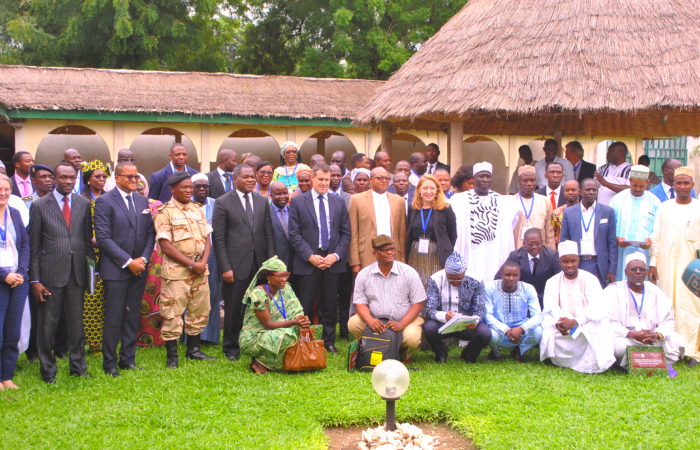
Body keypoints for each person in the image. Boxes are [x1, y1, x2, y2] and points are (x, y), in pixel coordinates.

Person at [30, 163, 94, 383]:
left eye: (72, 177)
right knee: (48, 325)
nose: (68, 181)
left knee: (77, 325)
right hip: (50, 275)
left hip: (76, 274)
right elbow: (34, 246)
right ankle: (48, 370)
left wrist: (89, 276)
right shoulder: (39, 206)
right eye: (63, 177)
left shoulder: (83, 204)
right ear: (54, 179)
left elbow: (86, 244)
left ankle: (78, 367)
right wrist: (35, 280)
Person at [94, 162, 155, 377]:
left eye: (136, 176)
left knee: (132, 315)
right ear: (117, 178)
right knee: (114, 316)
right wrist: (129, 262)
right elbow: (103, 238)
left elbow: (150, 234)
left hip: (140, 267)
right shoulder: (104, 202)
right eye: (129, 177)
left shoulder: (141, 200)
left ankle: (127, 359)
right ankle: (109, 362)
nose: (134, 180)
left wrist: (144, 258)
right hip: (117, 269)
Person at [213, 164, 274, 362]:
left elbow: (268, 234)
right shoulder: (223, 202)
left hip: (259, 266)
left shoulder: (262, 201)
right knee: (233, 308)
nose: (251, 180)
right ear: (235, 179)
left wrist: (271, 265)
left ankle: (256, 341)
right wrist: (225, 267)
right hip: (235, 266)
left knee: (259, 306)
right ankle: (231, 347)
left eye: (252, 177)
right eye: (246, 177)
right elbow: (219, 239)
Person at [154, 172, 215, 368]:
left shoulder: (198, 209)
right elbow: (166, 245)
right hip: (178, 271)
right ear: (173, 189)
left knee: (199, 310)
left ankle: (193, 350)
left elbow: (207, 238)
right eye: (184, 187)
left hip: (200, 270)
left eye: (191, 187)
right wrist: (192, 264)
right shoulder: (165, 212)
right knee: (172, 312)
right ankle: (172, 357)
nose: (189, 191)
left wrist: (202, 263)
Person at [288, 164, 351, 353]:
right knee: (305, 304)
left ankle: (328, 341)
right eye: (321, 179)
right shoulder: (299, 202)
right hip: (308, 262)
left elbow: (345, 233)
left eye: (327, 179)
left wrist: (335, 256)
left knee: (329, 304)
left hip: (332, 262)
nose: (324, 183)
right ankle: (305, 340)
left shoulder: (338, 202)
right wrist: (310, 256)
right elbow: (294, 234)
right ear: (313, 179)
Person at [649, 166, 700, 367]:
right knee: (667, 304)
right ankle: (669, 348)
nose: (681, 186)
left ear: (692, 185)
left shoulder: (698, 208)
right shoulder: (665, 207)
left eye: (686, 183)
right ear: (673, 184)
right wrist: (653, 264)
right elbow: (657, 236)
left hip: (691, 268)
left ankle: (691, 351)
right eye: (678, 182)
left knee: (691, 307)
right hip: (666, 265)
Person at [539, 240, 615, 374]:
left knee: (597, 330)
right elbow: (550, 308)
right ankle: (562, 360)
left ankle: (588, 363)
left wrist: (575, 321)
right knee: (549, 332)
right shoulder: (552, 282)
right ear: (559, 262)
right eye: (565, 261)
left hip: (586, 323)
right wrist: (560, 323)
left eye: (573, 261)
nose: (569, 265)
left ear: (578, 260)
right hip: (562, 325)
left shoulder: (590, 279)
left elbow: (598, 308)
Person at [348, 235, 426, 360]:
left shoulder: (408, 272)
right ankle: (370, 348)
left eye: (392, 249)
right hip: (376, 320)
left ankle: (403, 354)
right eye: (385, 250)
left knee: (411, 337)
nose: (390, 252)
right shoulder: (364, 274)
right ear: (375, 253)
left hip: (404, 320)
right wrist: (370, 320)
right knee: (353, 323)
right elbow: (360, 303)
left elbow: (418, 303)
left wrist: (401, 324)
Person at [606, 252, 683, 369]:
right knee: (618, 347)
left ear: (646, 272)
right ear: (626, 272)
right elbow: (610, 322)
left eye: (641, 269)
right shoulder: (614, 291)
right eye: (634, 269)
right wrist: (632, 334)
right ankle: (647, 361)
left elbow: (668, 320)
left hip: (652, 338)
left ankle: (645, 360)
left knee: (677, 340)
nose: (638, 272)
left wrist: (657, 334)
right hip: (628, 338)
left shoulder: (655, 291)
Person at [240, 256, 312, 374]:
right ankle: (259, 362)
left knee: (304, 332)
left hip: (279, 329)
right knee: (288, 336)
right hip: (255, 336)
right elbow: (268, 325)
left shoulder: (286, 288)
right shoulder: (258, 294)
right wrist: (294, 322)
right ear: (268, 277)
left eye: (286, 275)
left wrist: (301, 321)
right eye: (280, 276)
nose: (284, 279)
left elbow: (297, 310)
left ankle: (280, 363)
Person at [450, 161, 516, 281]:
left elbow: (513, 222)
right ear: (474, 178)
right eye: (481, 176)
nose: (485, 179)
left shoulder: (502, 201)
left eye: (488, 176)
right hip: (470, 250)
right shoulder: (459, 200)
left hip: (494, 251)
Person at [424, 252, 490, 363]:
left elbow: (480, 308)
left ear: (465, 271)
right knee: (429, 328)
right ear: (445, 271)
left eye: (459, 278)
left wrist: (475, 320)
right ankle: (441, 353)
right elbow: (429, 309)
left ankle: (469, 354)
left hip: (467, 323)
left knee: (485, 333)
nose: (455, 282)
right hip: (443, 322)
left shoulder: (477, 281)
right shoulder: (435, 279)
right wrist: (444, 315)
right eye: (450, 279)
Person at [0, 174, 29, 390]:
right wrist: (4, 275)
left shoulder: (15, 213)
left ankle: (7, 376)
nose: (3, 194)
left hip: (18, 280)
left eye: (6, 190)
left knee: (12, 330)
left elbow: (25, 246)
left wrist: (20, 271)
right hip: (2, 279)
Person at [560, 179, 618, 287]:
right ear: (580, 192)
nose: (591, 192)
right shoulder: (569, 212)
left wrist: (612, 270)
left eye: (594, 190)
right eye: (588, 190)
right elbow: (564, 240)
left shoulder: (607, 211)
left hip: (599, 264)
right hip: (577, 263)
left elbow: (612, 244)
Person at [348, 167, 407, 272]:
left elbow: (401, 235)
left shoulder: (398, 201)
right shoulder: (356, 200)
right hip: (367, 253)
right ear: (370, 180)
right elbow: (353, 233)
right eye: (379, 178)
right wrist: (355, 262)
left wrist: (402, 258)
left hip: (393, 253)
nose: (384, 181)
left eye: (387, 178)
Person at [608, 165, 660, 280]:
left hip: (645, 252)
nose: (637, 189)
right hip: (622, 251)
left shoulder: (654, 202)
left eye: (641, 186)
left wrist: (650, 239)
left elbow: (658, 229)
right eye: (635, 185)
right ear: (630, 180)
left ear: (647, 182)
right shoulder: (617, 200)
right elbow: (609, 226)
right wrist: (617, 238)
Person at [80, 160, 110, 353]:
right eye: (97, 176)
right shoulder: (81, 200)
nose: (101, 179)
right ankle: (93, 343)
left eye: (103, 176)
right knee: (91, 297)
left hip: (110, 253)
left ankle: (109, 338)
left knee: (109, 298)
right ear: (88, 179)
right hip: (89, 255)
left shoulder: (110, 199)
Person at [485, 261, 543, 361]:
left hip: (521, 327)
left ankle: (520, 351)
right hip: (498, 327)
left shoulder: (528, 288)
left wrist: (521, 328)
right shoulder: (490, 287)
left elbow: (538, 315)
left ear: (519, 276)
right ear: (501, 275)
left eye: (515, 275)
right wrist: (506, 329)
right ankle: (495, 353)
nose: (511, 278)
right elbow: (487, 315)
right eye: (507, 275)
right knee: (491, 335)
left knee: (538, 332)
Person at [406, 174, 457, 288]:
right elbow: (408, 231)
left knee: (434, 285)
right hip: (416, 252)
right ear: (419, 190)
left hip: (437, 253)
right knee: (416, 285)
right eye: (425, 188)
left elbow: (452, 234)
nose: (428, 191)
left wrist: (445, 248)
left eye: (432, 188)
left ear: (437, 191)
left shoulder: (445, 209)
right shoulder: (412, 208)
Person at [191, 174, 221, 346]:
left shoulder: (215, 204)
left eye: (205, 186)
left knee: (212, 294)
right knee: (193, 294)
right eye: (198, 186)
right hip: (192, 255)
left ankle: (209, 336)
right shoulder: (187, 205)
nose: (202, 189)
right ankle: (191, 336)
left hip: (213, 255)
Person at [496, 228, 560, 308]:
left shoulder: (552, 256)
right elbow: (498, 277)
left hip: (546, 299)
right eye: (530, 244)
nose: (534, 247)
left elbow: (559, 278)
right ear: (524, 244)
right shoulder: (515, 256)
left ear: (542, 242)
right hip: (521, 300)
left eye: (537, 244)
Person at [509, 165, 555, 249]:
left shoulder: (545, 201)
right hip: (517, 250)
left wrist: (551, 254)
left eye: (532, 180)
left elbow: (549, 231)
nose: (529, 184)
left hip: (539, 251)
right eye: (525, 181)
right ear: (518, 182)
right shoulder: (510, 202)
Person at [595, 141, 631, 205]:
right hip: (602, 210)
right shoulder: (602, 168)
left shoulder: (631, 169)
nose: (607, 154)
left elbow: (628, 189)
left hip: (619, 211)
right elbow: (594, 185)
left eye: (610, 151)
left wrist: (606, 183)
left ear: (620, 153)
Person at [269, 181, 294, 268]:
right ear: (271, 195)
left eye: (285, 193)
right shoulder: (266, 213)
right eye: (278, 194)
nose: (283, 197)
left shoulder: (294, 211)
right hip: (276, 263)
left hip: (295, 262)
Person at [550, 179, 580, 245]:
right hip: (562, 248)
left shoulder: (585, 211)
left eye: (573, 190)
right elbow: (553, 234)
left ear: (579, 191)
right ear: (563, 192)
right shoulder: (556, 213)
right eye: (567, 190)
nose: (570, 192)